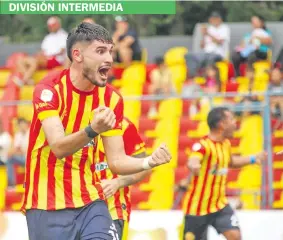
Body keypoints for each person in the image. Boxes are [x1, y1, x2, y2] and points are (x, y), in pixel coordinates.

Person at [21, 22, 171, 240]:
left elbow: (117, 161)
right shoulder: (48, 90)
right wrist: (92, 130)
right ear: (78, 55)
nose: (109, 59)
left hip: (91, 200)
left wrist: (149, 162)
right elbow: (58, 147)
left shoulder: (112, 99)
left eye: (110, 51)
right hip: (47, 203)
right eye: (100, 51)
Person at [180, 107, 266, 240]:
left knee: (235, 236)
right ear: (221, 124)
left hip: (219, 205)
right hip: (197, 208)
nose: (235, 123)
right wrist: (194, 165)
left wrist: (253, 158)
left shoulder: (225, 144)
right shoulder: (203, 145)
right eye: (231, 119)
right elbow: (193, 159)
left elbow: (231, 162)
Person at [97, 117, 150, 239]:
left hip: (112, 209)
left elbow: (144, 167)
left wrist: (118, 182)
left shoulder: (123, 125)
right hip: (73, 208)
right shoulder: (67, 120)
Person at [17, 16, 68, 84]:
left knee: (34, 62)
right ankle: (28, 80)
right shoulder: (48, 37)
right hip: (46, 58)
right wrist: (40, 55)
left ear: (58, 24)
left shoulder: (64, 35)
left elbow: (61, 51)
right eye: (50, 26)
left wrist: (46, 55)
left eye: (53, 25)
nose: (51, 27)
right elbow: (42, 51)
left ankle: (23, 81)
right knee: (20, 61)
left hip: (56, 60)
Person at [186, 12, 230, 77]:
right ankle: (193, 77)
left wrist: (207, 33)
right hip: (205, 53)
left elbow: (219, 42)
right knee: (189, 55)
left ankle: (205, 78)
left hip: (218, 54)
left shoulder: (224, 28)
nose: (212, 21)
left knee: (208, 58)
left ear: (219, 19)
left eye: (214, 19)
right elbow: (202, 46)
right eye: (211, 19)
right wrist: (203, 35)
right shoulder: (209, 28)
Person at [6, 118, 29, 186]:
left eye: (23, 124)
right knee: (9, 159)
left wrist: (19, 151)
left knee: (29, 160)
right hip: (22, 157)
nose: (22, 126)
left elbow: (26, 150)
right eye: (20, 125)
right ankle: (12, 183)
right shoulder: (18, 135)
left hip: (30, 157)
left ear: (26, 124)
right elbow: (15, 149)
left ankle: (27, 183)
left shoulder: (31, 133)